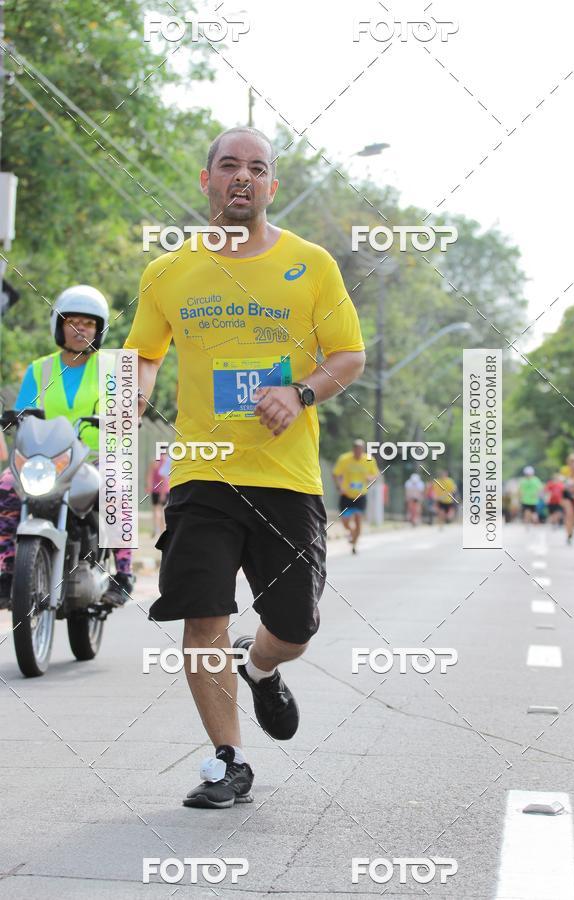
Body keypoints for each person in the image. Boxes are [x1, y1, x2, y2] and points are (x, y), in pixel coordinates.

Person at [123, 126, 366, 809]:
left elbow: (348, 356)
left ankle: (259, 667)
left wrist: (300, 392)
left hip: (285, 477)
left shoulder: (312, 263)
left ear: (271, 187)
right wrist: (135, 397)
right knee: (199, 613)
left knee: (294, 625)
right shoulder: (167, 271)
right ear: (206, 180)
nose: (242, 177)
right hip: (202, 473)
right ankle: (228, 760)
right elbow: (145, 352)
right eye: (228, 165)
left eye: (256, 168)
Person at [0, 285, 134, 608]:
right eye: (72, 321)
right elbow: (23, 412)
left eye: (88, 323)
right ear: (58, 326)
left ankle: (124, 574)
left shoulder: (114, 367)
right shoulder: (39, 369)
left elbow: (129, 411)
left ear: (99, 329)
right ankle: (7, 570)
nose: (80, 329)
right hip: (47, 459)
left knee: (116, 486)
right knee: (5, 487)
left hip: (95, 458)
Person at [332, 439, 379, 553]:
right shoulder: (344, 459)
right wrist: (339, 487)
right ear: (353, 449)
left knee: (358, 519)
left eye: (360, 449)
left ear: (363, 450)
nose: (358, 452)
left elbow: (376, 475)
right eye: (356, 449)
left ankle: (354, 545)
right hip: (346, 494)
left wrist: (370, 478)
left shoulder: (369, 459)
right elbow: (335, 474)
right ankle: (352, 532)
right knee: (345, 521)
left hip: (360, 495)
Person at [146, 451, 170, 538]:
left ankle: (156, 528)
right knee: (163, 510)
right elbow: (165, 479)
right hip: (165, 489)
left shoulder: (154, 462)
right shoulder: (167, 461)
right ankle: (162, 530)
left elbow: (149, 476)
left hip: (155, 489)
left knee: (155, 509)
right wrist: (163, 493)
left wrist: (148, 487)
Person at [560, 452, 574, 544]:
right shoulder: (564, 470)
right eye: (572, 461)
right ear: (568, 462)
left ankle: (571, 531)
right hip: (567, 494)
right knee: (569, 514)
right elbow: (562, 482)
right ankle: (568, 534)